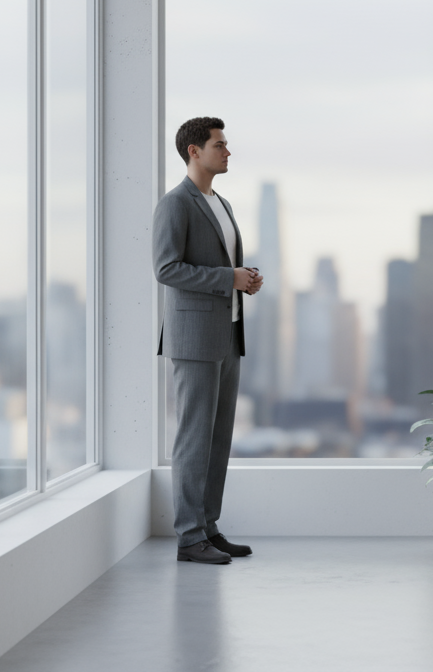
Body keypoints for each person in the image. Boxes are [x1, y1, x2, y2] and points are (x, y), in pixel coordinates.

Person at [153, 116, 263, 564]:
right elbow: (165, 268)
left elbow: (219, 267)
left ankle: (208, 526)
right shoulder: (176, 204)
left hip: (227, 333)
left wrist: (243, 280)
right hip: (194, 338)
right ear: (194, 151)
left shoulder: (222, 203)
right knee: (194, 439)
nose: (228, 151)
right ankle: (188, 537)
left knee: (218, 439)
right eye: (220, 144)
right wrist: (227, 277)